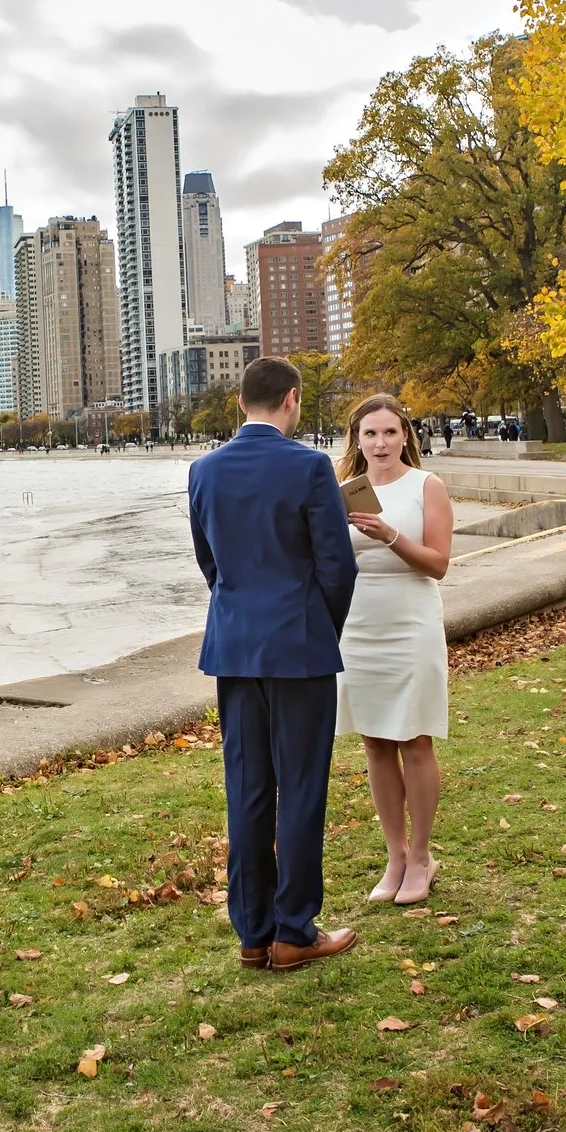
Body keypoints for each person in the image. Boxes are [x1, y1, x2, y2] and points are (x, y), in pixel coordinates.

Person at [189, 355, 361, 972]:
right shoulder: (311, 467)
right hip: (300, 645)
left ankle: (252, 930)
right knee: (302, 787)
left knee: (247, 788)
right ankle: (294, 929)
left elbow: (210, 563)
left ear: (241, 403)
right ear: (291, 400)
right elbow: (337, 567)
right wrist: (319, 628)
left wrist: (239, 611)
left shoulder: (203, 470)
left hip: (234, 647)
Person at [334, 394, 455, 905]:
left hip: (410, 622)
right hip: (357, 624)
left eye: (389, 432)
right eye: (370, 434)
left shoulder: (427, 486)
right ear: (357, 441)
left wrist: (389, 535)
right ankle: (396, 854)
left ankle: (423, 856)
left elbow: (438, 563)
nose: (380, 443)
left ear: (406, 435)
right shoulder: (342, 492)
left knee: (415, 739)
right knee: (376, 741)